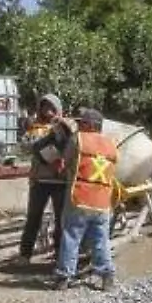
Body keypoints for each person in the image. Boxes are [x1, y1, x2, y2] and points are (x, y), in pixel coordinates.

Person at [53, 108, 118, 291]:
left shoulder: (78, 139)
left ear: (90, 125)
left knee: (71, 236)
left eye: (82, 123)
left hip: (80, 197)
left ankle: (64, 278)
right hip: (103, 201)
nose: (79, 126)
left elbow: (64, 161)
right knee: (101, 240)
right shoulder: (111, 144)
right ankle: (107, 276)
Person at [16, 94, 68, 265]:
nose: (49, 112)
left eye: (52, 108)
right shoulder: (34, 128)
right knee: (33, 218)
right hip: (39, 180)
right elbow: (24, 147)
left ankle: (60, 253)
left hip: (61, 180)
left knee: (61, 220)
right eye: (45, 108)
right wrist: (40, 141)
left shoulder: (65, 127)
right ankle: (25, 254)